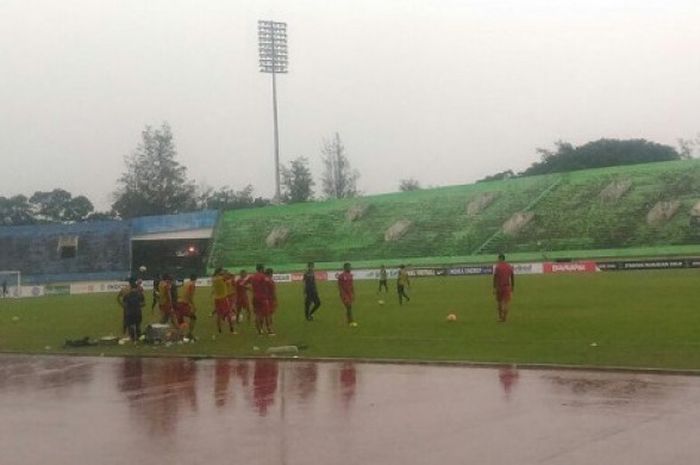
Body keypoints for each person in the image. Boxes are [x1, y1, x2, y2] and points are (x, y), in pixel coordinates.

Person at [248, 264, 274, 336]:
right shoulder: (263, 276)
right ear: (262, 269)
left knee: (258, 314)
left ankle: (259, 331)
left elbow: (243, 284)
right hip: (263, 298)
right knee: (267, 314)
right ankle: (269, 331)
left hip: (255, 298)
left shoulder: (252, 276)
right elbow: (270, 283)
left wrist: (251, 289)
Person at [212, 268, 235, 334]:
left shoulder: (214, 279)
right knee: (228, 313)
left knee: (218, 314)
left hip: (216, 298)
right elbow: (230, 276)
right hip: (223, 298)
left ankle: (219, 330)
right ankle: (231, 330)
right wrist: (226, 273)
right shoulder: (221, 278)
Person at [493, 254, 515, 322]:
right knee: (506, 303)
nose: (497, 260)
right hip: (507, 287)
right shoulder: (509, 266)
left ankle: (500, 317)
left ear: (500, 259)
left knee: (499, 302)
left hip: (499, 287)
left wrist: (494, 287)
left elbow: (495, 278)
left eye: (498, 259)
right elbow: (512, 277)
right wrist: (513, 286)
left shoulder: (497, 267)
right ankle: (504, 318)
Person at [175, 274, 198, 340]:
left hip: (178, 302)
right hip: (183, 304)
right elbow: (190, 296)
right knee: (193, 318)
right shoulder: (192, 285)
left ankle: (180, 335)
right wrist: (193, 306)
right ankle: (189, 334)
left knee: (180, 320)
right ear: (196, 279)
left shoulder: (186, 283)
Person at [338, 262, 357, 327]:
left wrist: (353, 294)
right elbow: (340, 286)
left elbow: (351, 286)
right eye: (349, 267)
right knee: (348, 306)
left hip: (349, 294)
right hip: (344, 294)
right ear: (345, 268)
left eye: (350, 267)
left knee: (349, 307)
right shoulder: (341, 276)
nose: (350, 268)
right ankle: (351, 321)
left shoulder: (351, 275)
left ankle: (350, 321)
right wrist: (343, 295)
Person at [264, 268, 278, 335]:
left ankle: (264, 329)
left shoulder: (263, 280)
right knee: (269, 314)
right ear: (270, 273)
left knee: (266, 314)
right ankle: (269, 329)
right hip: (270, 299)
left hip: (264, 298)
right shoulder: (270, 281)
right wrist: (275, 299)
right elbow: (273, 291)